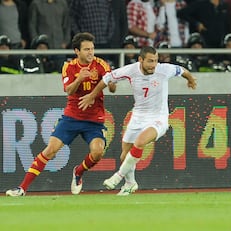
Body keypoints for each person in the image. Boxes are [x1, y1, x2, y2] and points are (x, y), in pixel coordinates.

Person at [5, 32, 116, 196]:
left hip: (94, 120)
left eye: (92, 49)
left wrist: (112, 82)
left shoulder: (101, 65)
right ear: (77, 51)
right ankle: (22, 188)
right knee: (50, 151)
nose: (90, 52)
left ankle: (78, 172)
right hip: (71, 117)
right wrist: (79, 78)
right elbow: (68, 90)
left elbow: (112, 89)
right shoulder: (69, 67)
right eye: (86, 49)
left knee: (98, 152)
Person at [78, 46, 197, 195]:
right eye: (149, 61)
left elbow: (183, 71)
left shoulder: (164, 69)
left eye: (155, 61)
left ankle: (117, 177)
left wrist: (191, 80)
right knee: (124, 156)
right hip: (138, 116)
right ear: (140, 60)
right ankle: (130, 183)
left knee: (140, 142)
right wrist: (92, 95)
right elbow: (106, 79)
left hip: (158, 117)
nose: (153, 65)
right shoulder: (130, 71)